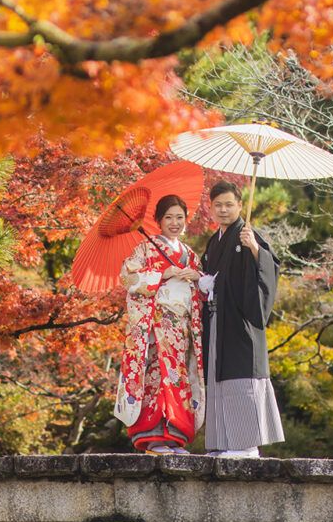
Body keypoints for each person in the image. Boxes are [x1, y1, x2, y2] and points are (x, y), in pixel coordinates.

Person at [200, 180, 284, 457]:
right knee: (217, 379)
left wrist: (255, 250)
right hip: (218, 322)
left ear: (239, 205)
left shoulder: (248, 236)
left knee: (241, 381)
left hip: (241, 323)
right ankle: (222, 443)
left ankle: (247, 445)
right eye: (218, 205)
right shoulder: (215, 242)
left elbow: (269, 268)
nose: (223, 210)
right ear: (210, 208)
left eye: (229, 204)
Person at [116, 194, 205, 454]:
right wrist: (161, 274)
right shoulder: (145, 248)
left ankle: (174, 437)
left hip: (181, 328)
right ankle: (154, 437)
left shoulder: (190, 254)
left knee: (179, 379)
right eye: (169, 217)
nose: (175, 223)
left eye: (180, 217)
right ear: (158, 221)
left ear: (186, 220)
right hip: (156, 325)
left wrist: (196, 277)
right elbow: (128, 278)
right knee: (157, 378)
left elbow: (201, 291)